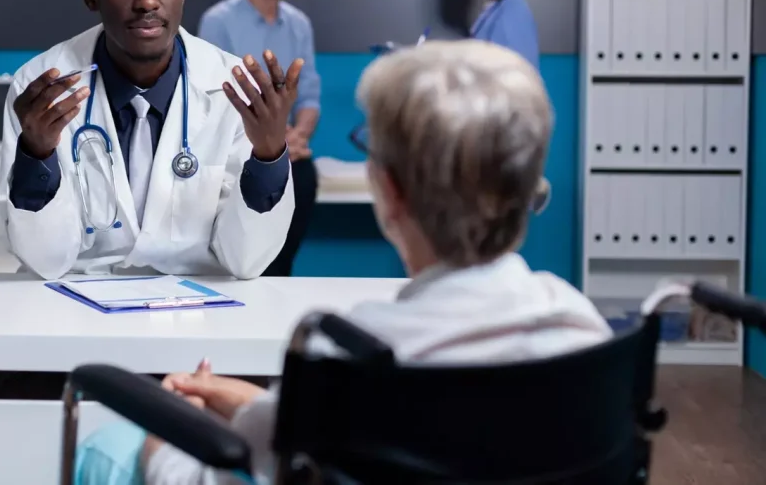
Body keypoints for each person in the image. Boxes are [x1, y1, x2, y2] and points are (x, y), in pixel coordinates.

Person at [73, 40, 613, 484]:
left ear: (391, 194)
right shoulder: (579, 327)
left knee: (108, 449)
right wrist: (239, 401)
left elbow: (221, 473)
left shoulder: (354, 354)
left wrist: (166, 433)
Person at [0, 0, 301, 281]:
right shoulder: (42, 89)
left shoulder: (234, 91)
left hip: (198, 308)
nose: (148, 1)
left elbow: (246, 261)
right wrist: (36, 154)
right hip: (79, 305)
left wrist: (269, 154)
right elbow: (44, 261)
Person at [198, 0, 322, 277]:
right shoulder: (219, 21)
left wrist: (296, 136)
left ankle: (280, 276)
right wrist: (270, 137)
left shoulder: (298, 23)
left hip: (287, 146)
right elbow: (218, 92)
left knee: (304, 175)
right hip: (237, 143)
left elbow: (309, 92)